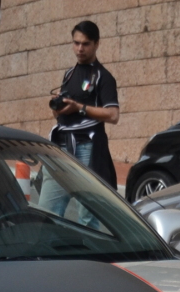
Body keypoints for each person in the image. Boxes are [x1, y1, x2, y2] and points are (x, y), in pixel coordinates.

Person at [49, 20, 119, 189]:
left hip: (87, 145)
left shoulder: (104, 77)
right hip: (62, 145)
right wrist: (59, 108)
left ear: (96, 44)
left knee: (87, 212)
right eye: (76, 43)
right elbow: (59, 116)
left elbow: (113, 115)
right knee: (49, 207)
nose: (80, 49)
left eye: (86, 44)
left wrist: (79, 108)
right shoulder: (68, 74)